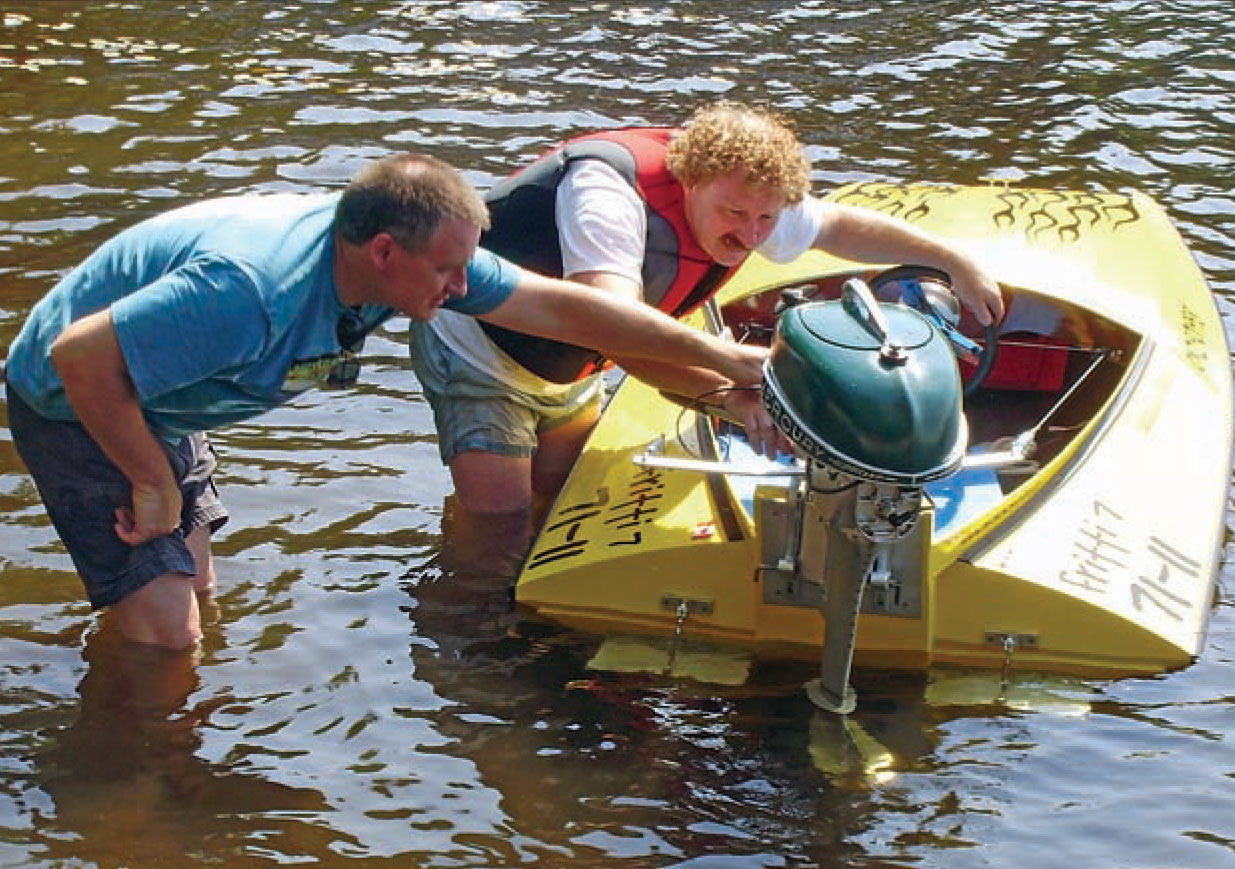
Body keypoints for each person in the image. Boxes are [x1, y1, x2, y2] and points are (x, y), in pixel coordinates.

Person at [2, 152, 767, 652]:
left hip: (171, 396)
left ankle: (160, 710)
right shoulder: (249, 293)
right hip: (80, 401)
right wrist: (151, 478)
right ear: (383, 254)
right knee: (168, 634)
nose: (464, 287)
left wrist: (724, 358)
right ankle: (137, 797)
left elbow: (566, 310)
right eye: (449, 269)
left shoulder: (415, 259)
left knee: (194, 595)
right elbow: (79, 360)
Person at [407, 101, 1006, 518]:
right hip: (479, 350)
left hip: (565, 362)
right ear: (689, 180)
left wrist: (952, 259)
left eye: (766, 220)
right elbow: (612, 329)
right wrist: (729, 393)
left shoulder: (754, 194)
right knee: (500, 524)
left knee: (557, 494)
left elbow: (842, 228)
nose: (751, 236)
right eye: (733, 216)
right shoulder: (606, 198)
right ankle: (472, 665)